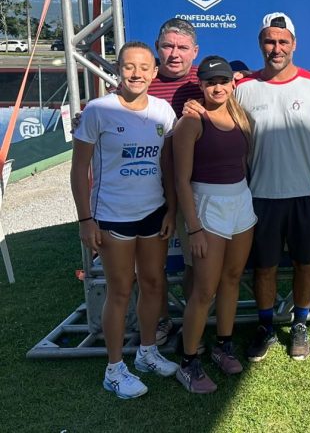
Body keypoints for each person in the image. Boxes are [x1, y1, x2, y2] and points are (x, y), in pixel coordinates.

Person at [187, 12, 310, 362]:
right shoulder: (242, 88)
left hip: (306, 195)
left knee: (305, 264)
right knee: (264, 267)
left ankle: (300, 325)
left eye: (283, 41)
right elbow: (214, 107)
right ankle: (266, 326)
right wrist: (192, 105)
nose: (276, 48)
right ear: (260, 44)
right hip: (259, 196)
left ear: (294, 44)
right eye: (270, 41)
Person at [70, 41, 179, 399]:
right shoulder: (98, 110)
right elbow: (78, 169)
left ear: (155, 72)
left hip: (153, 213)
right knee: (120, 290)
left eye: (144, 68)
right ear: (118, 69)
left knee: (153, 283)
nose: (136, 74)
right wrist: (85, 219)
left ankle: (147, 352)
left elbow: (167, 165)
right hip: (112, 215)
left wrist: (171, 209)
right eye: (129, 66)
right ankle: (114, 369)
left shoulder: (163, 111)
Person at [173, 55, 255, 393]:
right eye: (210, 82)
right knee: (204, 290)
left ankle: (223, 345)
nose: (217, 87)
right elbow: (181, 180)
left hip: (241, 203)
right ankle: (188, 362)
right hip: (207, 206)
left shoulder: (240, 115)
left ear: (232, 83)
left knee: (232, 279)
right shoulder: (191, 121)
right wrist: (193, 227)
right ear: (201, 85)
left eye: (223, 81)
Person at [150, 18, 204, 346]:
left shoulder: (208, 80)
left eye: (182, 47)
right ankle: (161, 320)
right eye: (168, 46)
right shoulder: (142, 80)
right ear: (157, 48)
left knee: (194, 264)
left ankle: (192, 322)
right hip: (149, 192)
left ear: (194, 51)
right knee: (152, 266)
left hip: (194, 190)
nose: (174, 54)